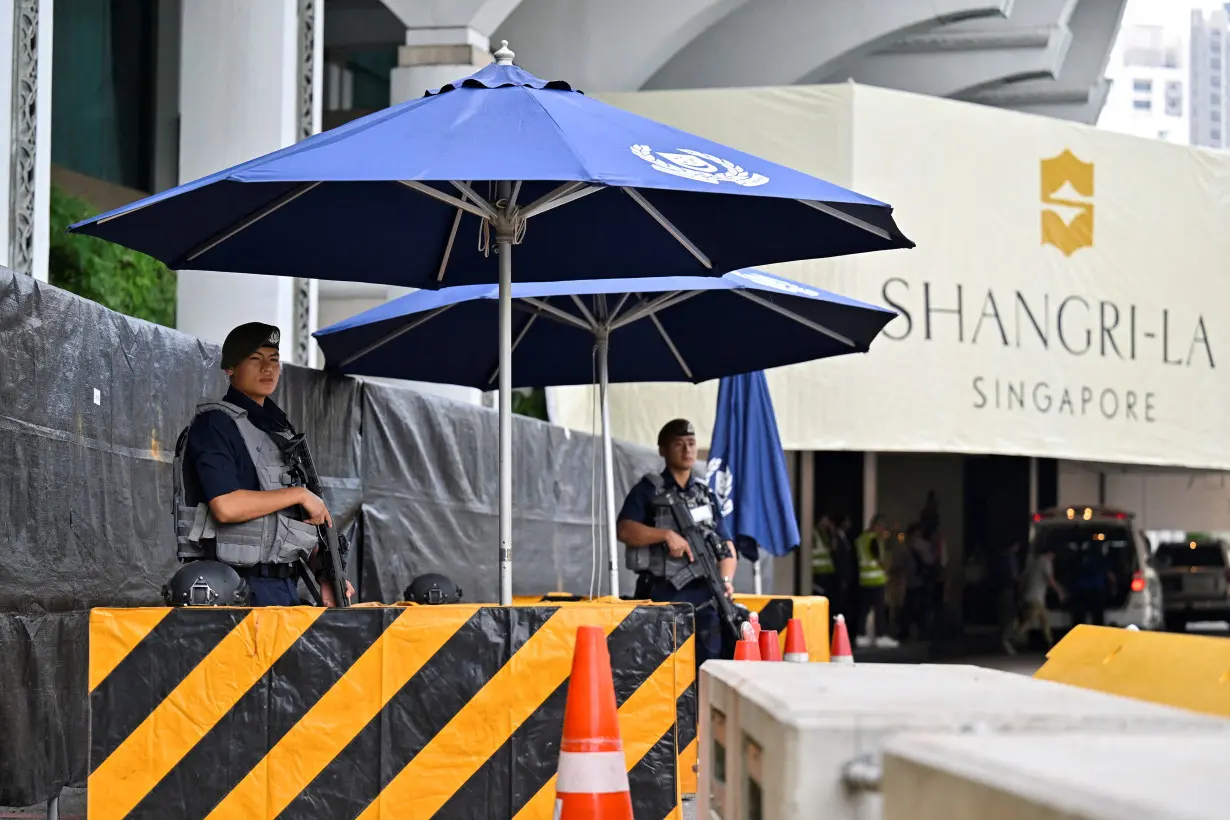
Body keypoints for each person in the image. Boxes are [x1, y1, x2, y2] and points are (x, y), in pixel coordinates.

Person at [173, 322, 354, 607]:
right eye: (256, 359)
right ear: (230, 368)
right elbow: (226, 507)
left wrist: (327, 574)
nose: (267, 368)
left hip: (283, 589)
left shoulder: (278, 430)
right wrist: (299, 494)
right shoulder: (214, 426)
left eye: (274, 360)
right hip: (230, 591)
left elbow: (293, 521)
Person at [617, 419, 737, 671]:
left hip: (705, 598)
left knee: (707, 669)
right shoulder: (648, 491)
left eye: (692, 444)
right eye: (678, 444)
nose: (687, 450)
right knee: (660, 670)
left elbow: (726, 544)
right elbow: (625, 529)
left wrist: (725, 580)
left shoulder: (705, 494)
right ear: (662, 449)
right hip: (662, 595)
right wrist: (664, 535)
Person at [854, 514, 897, 648]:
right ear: (877, 526)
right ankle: (881, 636)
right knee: (879, 609)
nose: (883, 530)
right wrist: (886, 571)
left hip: (864, 579)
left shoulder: (861, 539)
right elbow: (878, 559)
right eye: (882, 527)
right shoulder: (874, 540)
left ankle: (860, 635)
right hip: (876, 580)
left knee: (864, 609)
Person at [1015, 545, 1064, 648]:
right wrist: (1060, 592)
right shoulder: (1045, 561)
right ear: (1051, 554)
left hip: (1030, 596)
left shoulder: (1032, 562)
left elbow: (1022, 579)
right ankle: (1013, 637)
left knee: (1044, 619)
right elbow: (1050, 579)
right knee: (1030, 621)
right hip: (1036, 597)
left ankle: (1050, 642)